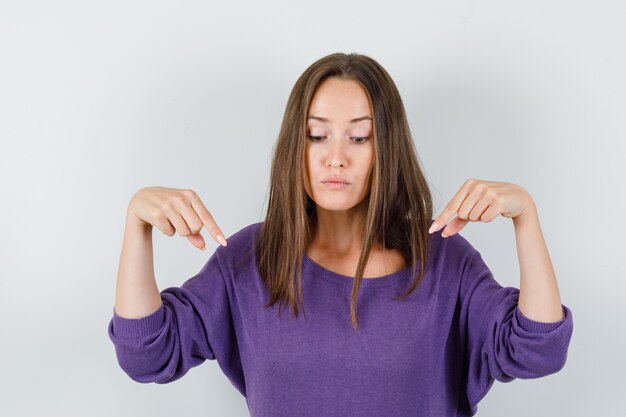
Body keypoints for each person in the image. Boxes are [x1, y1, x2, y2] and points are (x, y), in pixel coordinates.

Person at [108, 52, 573, 416]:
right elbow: (146, 356)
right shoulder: (250, 260)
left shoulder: (445, 263)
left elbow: (540, 350)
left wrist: (525, 217)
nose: (336, 157)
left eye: (359, 137)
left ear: (385, 148)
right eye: (316, 136)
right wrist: (137, 224)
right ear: (297, 144)